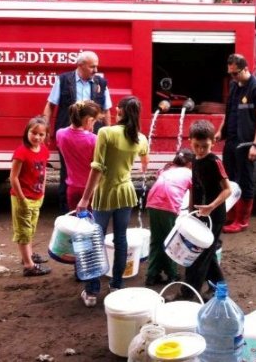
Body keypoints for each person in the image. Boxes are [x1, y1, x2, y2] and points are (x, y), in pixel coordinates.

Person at [76, 96, 149, 307]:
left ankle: (91, 292)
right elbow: (145, 159)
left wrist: (85, 198)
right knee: (121, 239)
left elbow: (97, 168)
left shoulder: (105, 132)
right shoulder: (141, 138)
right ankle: (117, 285)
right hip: (126, 192)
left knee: (94, 241)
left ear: (121, 111)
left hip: (106, 193)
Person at [168, 120, 231, 302]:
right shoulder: (194, 159)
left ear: (213, 142)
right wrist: (189, 211)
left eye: (205, 146)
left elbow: (228, 189)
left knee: (200, 256)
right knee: (206, 253)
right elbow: (195, 186)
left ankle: (187, 295)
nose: (200, 150)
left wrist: (211, 206)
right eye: (196, 146)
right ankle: (219, 287)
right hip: (198, 214)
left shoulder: (214, 162)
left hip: (215, 216)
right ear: (190, 141)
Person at [43, 51, 112, 213]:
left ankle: (91, 208)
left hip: (94, 137)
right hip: (70, 135)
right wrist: (45, 128)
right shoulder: (63, 80)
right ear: (80, 65)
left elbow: (107, 110)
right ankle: (67, 211)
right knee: (67, 172)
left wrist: (108, 133)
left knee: (95, 170)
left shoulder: (101, 82)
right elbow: (50, 105)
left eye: (97, 66)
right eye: (92, 66)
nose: (96, 70)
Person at [215, 53, 256, 233]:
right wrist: (220, 130)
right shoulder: (234, 86)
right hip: (231, 142)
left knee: (244, 181)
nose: (233, 77)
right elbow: (229, 112)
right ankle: (230, 216)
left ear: (246, 69)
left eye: (236, 73)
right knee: (228, 180)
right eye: (230, 73)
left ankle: (242, 220)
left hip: (246, 144)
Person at [10, 116, 52, 277]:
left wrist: (43, 190)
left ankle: (27, 254)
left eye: (41, 134)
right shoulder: (21, 152)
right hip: (23, 199)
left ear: (45, 136)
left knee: (30, 228)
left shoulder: (43, 150)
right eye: (33, 133)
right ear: (27, 132)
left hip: (37, 197)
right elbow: (13, 177)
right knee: (23, 231)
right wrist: (21, 199)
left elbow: (44, 171)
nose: (37, 137)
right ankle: (29, 265)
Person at [145, 148, 194, 286]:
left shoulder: (167, 169)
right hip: (169, 204)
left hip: (152, 202)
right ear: (190, 163)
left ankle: (151, 275)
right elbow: (192, 197)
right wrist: (191, 213)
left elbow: (159, 177)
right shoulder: (190, 173)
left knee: (157, 239)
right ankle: (172, 274)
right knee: (172, 241)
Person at [55, 100, 102, 211]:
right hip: (91, 189)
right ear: (89, 120)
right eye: (94, 121)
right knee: (91, 224)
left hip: (72, 188)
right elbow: (98, 166)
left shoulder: (60, 134)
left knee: (76, 222)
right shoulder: (94, 139)